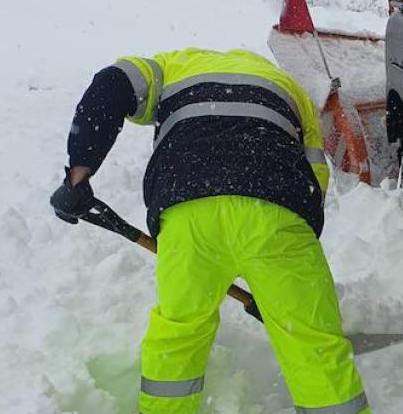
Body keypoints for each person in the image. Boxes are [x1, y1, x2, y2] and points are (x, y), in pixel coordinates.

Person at [49, 47, 369, 414]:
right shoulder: (289, 88)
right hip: (276, 212)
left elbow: (110, 84)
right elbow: (314, 180)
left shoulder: (171, 69)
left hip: (189, 211)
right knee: (314, 345)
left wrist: (79, 172)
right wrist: (287, 282)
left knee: (180, 332)